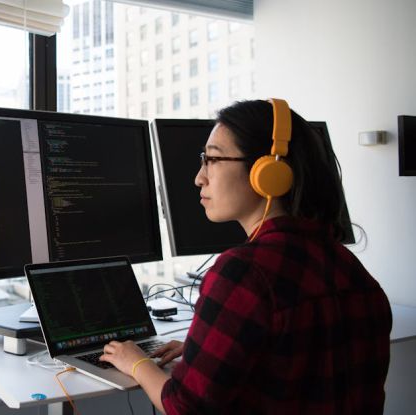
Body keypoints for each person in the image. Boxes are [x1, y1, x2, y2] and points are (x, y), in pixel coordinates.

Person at [99, 99, 392, 414]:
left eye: (212, 159)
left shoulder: (244, 272)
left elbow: (185, 406)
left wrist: (138, 362)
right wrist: (209, 351)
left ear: (268, 173)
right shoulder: (351, 268)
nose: (200, 177)